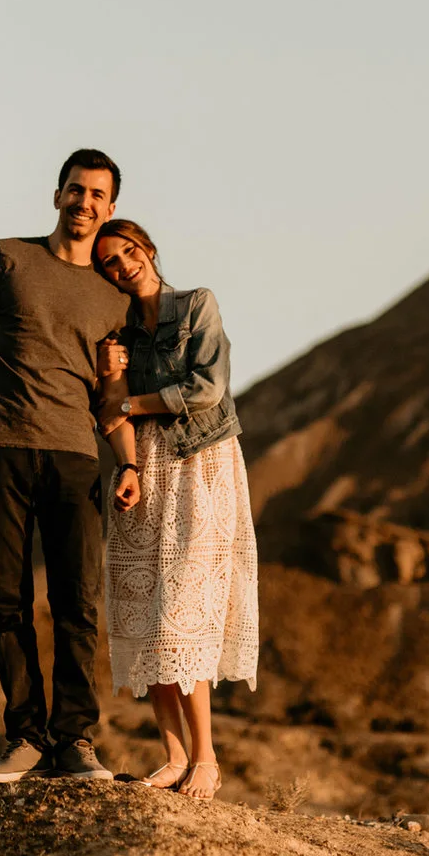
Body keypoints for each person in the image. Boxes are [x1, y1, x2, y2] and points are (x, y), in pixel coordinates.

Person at [0, 149, 133, 784]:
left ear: (110, 209)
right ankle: (25, 738)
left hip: (76, 458)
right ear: (57, 196)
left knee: (78, 603)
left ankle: (75, 741)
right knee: (8, 603)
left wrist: (126, 461)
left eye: (98, 196)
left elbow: (110, 397)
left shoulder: (114, 296)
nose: (84, 204)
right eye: (75, 191)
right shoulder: (7, 257)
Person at [90, 218, 259, 799]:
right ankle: (173, 755)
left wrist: (133, 402)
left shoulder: (196, 305)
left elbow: (208, 387)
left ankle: (207, 760)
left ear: (149, 249)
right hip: (144, 467)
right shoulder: (116, 336)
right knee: (146, 613)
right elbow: (110, 411)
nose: (123, 265)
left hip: (201, 464)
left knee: (186, 609)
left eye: (129, 252)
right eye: (109, 261)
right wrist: (125, 446)